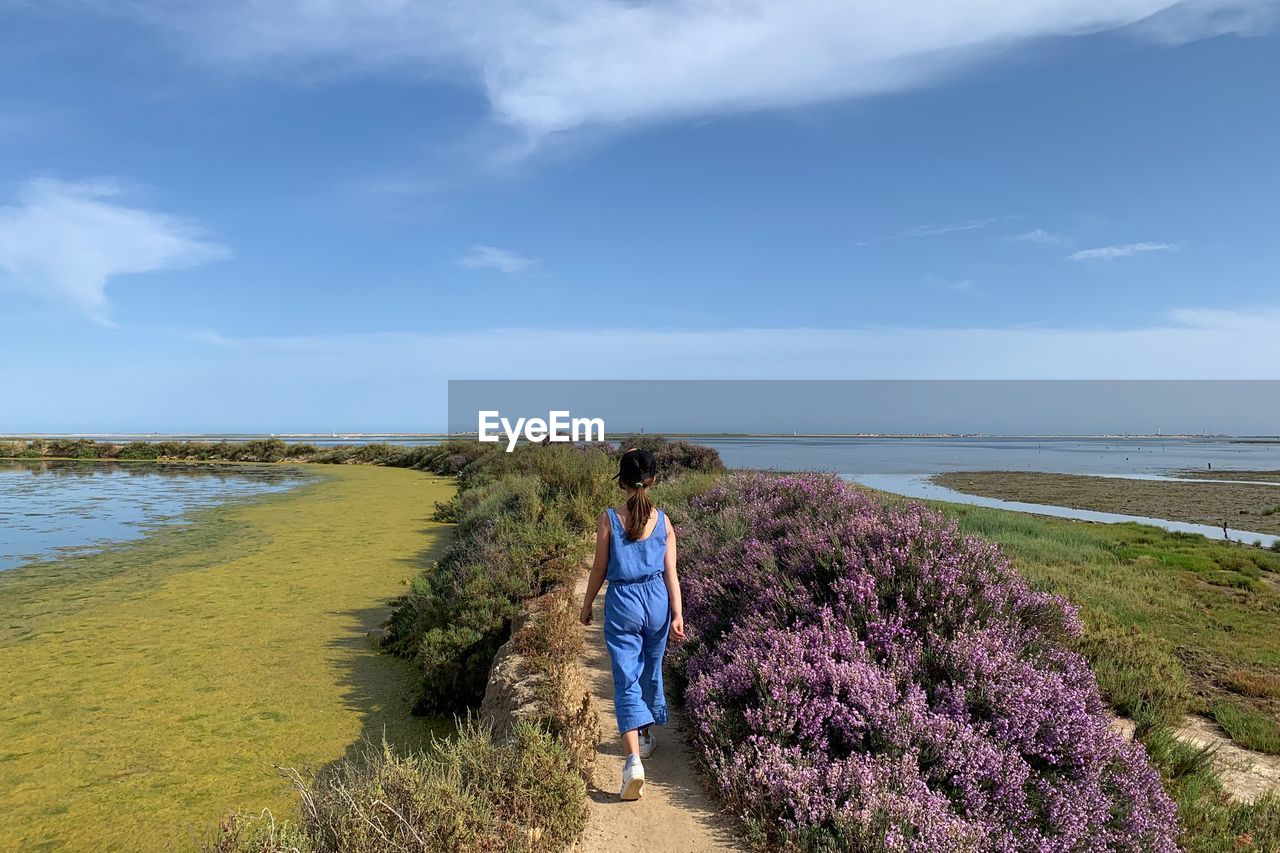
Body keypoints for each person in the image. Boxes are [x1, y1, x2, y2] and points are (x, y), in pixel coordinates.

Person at [580, 447, 686, 801]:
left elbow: (598, 569)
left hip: (623, 602)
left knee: (626, 676)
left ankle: (632, 763)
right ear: (653, 481)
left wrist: (586, 605)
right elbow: (671, 572)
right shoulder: (665, 521)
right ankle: (643, 735)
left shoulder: (609, 518)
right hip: (657, 601)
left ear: (621, 482)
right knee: (650, 671)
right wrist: (677, 613)